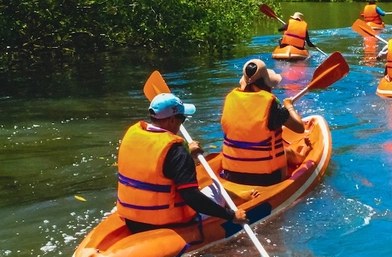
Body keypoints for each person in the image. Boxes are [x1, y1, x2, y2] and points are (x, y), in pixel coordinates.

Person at [116, 93, 248, 232]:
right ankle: (244, 202)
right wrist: (231, 216)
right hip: (166, 222)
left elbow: (156, 163)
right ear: (172, 120)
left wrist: (186, 152)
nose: (181, 123)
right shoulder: (177, 152)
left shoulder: (134, 136)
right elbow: (192, 197)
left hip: (132, 220)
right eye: (182, 118)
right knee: (217, 189)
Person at [221, 58, 306, 186]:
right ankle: (304, 155)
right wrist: (289, 106)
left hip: (231, 175)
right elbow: (300, 128)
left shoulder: (230, 99)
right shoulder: (271, 105)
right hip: (267, 179)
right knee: (285, 151)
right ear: (266, 83)